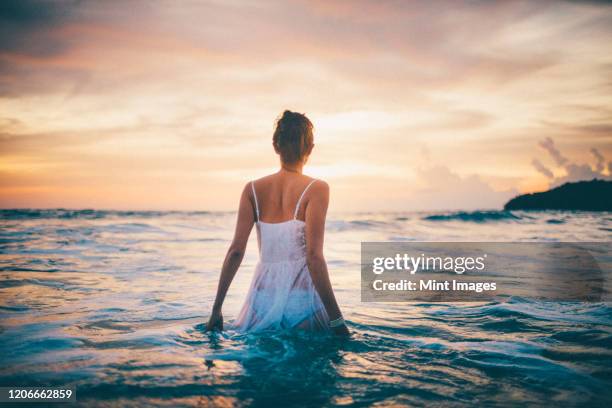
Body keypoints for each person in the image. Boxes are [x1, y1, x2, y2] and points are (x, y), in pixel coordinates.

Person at [206, 110, 349, 335]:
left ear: (275, 146)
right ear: (310, 149)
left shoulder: (252, 189)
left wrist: (216, 309)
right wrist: (337, 320)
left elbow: (235, 251)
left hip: (260, 301)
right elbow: (314, 257)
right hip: (302, 303)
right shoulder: (317, 189)